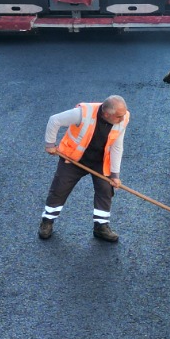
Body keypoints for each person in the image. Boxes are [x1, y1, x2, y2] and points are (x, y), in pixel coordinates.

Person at [41, 96, 129, 243]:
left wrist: (115, 175)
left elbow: (117, 146)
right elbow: (54, 120)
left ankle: (101, 227)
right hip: (74, 159)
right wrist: (50, 144)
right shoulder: (83, 113)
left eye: (123, 114)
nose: (123, 118)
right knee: (59, 189)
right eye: (119, 116)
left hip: (99, 161)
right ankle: (47, 222)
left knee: (105, 189)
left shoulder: (123, 118)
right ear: (107, 114)